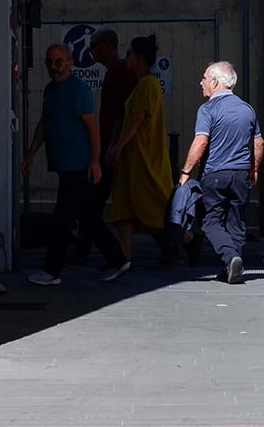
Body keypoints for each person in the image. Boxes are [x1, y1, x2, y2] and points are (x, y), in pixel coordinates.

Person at [23, 44, 128, 285]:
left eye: (59, 61)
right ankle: (118, 259)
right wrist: (31, 154)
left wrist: (94, 161)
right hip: (63, 164)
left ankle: (52, 270)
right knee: (86, 216)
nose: (54, 67)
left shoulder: (79, 89)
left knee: (63, 219)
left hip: (78, 164)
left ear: (70, 62)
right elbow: (44, 124)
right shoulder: (50, 90)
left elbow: (92, 127)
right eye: (50, 62)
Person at [176, 61, 264, 284]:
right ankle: (232, 268)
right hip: (241, 174)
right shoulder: (247, 108)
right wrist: (253, 169)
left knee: (210, 221)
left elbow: (201, 141)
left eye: (204, 78)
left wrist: (186, 171)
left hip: (215, 174)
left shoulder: (208, 109)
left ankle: (231, 257)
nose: (201, 82)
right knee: (236, 222)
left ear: (215, 82)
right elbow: (259, 143)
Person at [105, 34, 175, 272]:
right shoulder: (142, 84)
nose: (126, 58)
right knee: (125, 208)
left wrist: (118, 146)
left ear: (139, 58)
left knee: (151, 206)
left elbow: (137, 119)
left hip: (144, 157)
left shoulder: (147, 84)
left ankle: (185, 240)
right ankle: (124, 257)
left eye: (129, 54)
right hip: (133, 159)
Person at [68, 28, 132, 266]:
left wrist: (112, 145)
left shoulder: (119, 73)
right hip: (109, 145)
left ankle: (106, 254)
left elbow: (120, 114)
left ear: (106, 45)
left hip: (111, 147)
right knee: (93, 200)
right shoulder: (114, 73)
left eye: (93, 45)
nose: (90, 50)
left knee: (92, 201)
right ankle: (83, 251)